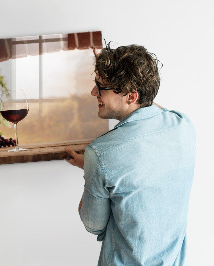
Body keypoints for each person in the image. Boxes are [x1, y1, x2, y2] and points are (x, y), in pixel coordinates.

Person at [65, 44, 196, 265]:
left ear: (131, 96)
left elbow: (93, 225)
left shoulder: (100, 153)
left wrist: (92, 169)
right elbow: (149, 108)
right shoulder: (183, 125)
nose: (93, 92)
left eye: (101, 86)